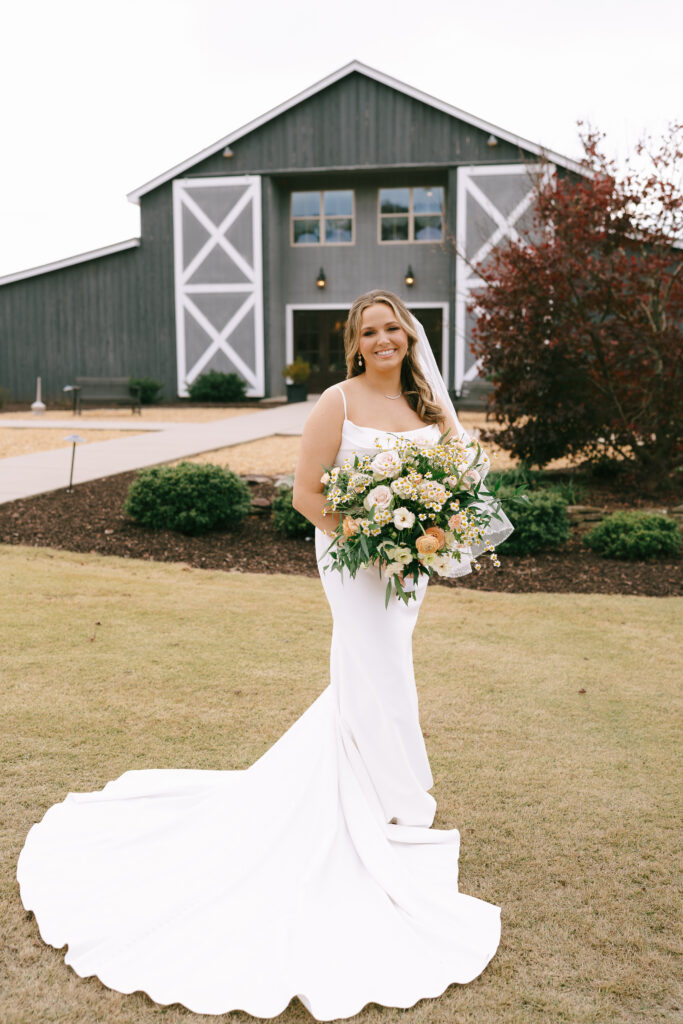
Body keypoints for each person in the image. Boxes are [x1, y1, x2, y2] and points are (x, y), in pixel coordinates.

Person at [17, 290, 513, 1021]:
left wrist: (419, 538)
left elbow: (457, 493)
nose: (383, 339)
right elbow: (307, 495)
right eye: (368, 331)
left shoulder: (432, 414)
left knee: (372, 677)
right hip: (351, 562)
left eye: (392, 328)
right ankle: (403, 809)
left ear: (409, 336)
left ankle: (378, 800)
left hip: (406, 569)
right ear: (354, 344)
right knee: (383, 675)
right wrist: (367, 536)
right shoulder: (335, 405)